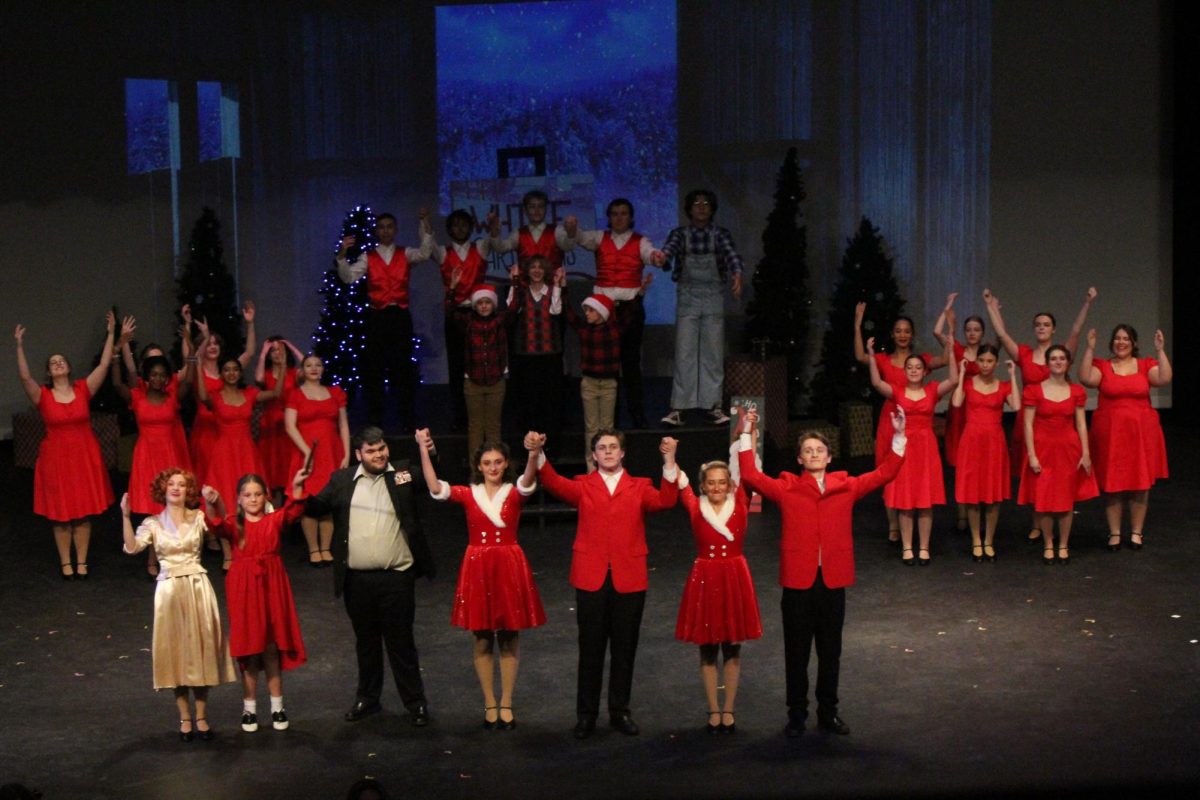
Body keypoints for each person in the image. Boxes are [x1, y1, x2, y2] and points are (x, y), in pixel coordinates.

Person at [737, 406, 906, 738]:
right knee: (796, 653)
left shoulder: (847, 486)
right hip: (798, 583)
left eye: (819, 450)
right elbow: (751, 476)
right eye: (807, 451)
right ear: (799, 459)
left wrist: (899, 434)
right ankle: (797, 714)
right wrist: (745, 432)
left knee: (831, 652)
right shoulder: (787, 488)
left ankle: (828, 712)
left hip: (832, 581)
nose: (814, 454)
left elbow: (886, 472)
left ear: (830, 457)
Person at [523, 428, 680, 739]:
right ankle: (586, 715)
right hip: (591, 576)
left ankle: (620, 712)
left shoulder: (639, 487)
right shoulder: (584, 486)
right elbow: (553, 482)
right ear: (593, 456)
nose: (608, 452)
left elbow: (666, 500)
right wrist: (537, 452)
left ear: (622, 453)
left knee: (625, 649)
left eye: (613, 447)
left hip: (629, 578)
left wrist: (669, 459)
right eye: (602, 448)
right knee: (590, 649)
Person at [305, 426, 437, 727]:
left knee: (401, 642)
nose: (378, 455)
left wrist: (428, 450)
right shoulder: (342, 480)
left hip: (396, 578)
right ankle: (368, 698)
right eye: (371, 451)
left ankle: (415, 702)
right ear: (358, 454)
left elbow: (433, 479)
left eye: (381, 449)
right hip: (357, 581)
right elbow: (316, 507)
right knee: (366, 643)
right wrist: (300, 488)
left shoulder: (402, 473)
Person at [417, 432, 545, 731]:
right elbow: (435, 487)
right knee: (482, 636)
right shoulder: (469, 493)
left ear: (506, 463)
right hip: (478, 565)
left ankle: (507, 702)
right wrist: (423, 449)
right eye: (487, 462)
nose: (493, 467)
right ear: (478, 465)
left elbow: (528, 477)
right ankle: (489, 701)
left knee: (510, 635)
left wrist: (534, 452)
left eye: (498, 462)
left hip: (508, 564)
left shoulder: (514, 491)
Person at [120, 469, 237, 741]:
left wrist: (215, 502)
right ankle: (185, 717)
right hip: (170, 590)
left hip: (197, 587)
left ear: (188, 490)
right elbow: (132, 547)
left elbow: (224, 525)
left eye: (181, 485)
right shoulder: (153, 523)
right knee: (176, 653)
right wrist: (125, 517)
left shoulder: (197, 517)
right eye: (170, 484)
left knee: (201, 648)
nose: (176, 488)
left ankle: (202, 716)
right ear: (163, 490)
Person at [14, 312, 125, 579]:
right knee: (61, 514)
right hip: (56, 459)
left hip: (83, 457)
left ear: (68, 367)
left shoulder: (82, 389)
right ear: (49, 371)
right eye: (53, 362)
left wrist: (110, 334)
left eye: (61, 361)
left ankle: (82, 562)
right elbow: (25, 378)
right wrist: (19, 346)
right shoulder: (43, 395)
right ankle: (66, 562)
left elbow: (103, 366)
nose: (58, 363)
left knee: (83, 512)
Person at [984, 287, 1096, 543]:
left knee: (1057, 474)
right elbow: (1002, 333)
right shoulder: (1024, 354)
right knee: (1036, 472)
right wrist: (990, 305)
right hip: (1031, 421)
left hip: (1058, 421)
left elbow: (1076, 331)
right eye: (1038, 324)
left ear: (1053, 329)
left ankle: (1052, 524)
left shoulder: (1061, 353)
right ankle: (1037, 522)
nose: (1042, 327)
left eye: (1046, 324)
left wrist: (1087, 303)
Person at [212, 469, 310, 733]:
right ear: (240, 499)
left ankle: (278, 707)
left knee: (271, 646)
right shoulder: (235, 523)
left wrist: (297, 484)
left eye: (257, 494)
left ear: (265, 496)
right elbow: (216, 525)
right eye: (247, 495)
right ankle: (249, 709)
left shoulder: (274, 519)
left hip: (272, 583)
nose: (253, 499)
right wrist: (213, 501)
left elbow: (294, 510)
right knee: (249, 648)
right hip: (243, 587)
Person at [673, 453, 761, 734]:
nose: (716, 488)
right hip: (705, 577)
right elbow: (679, 482)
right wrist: (671, 456)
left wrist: (747, 434)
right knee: (708, 648)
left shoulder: (741, 504)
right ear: (703, 486)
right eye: (711, 483)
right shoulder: (694, 506)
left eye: (722, 483)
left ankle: (729, 708)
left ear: (730, 485)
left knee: (732, 647)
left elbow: (749, 471)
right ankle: (713, 708)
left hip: (733, 577)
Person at [561, 199, 666, 428]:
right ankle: (612, 420)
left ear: (631, 217)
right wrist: (572, 229)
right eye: (615, 214)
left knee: (630, 363)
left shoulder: (641, 241)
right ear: (609, 217)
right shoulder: (600, 237)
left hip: (630, 307)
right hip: (605, 310)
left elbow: (651, 255)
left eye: (624, 213)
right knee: (608, 368)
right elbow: (580, 238)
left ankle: (637, 416)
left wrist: (657, 258)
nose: (619, 218)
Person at [854, 302, 945, 544]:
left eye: (907, 331)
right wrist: (857, 324)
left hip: (917, 420)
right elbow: (861, 356)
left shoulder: (920, 360)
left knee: (910, 471)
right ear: (893, 334)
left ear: (912, 334)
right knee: (889, 470)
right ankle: (894, 523)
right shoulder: (883, 359)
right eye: (898, 331)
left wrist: (946, 331)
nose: (903, 335)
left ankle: (908, 524)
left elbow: (947, 359)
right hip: (890, 420)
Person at [866, 325, 957, 566]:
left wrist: (951, 348)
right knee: (906, 500)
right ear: (905, 371)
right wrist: (872, 356)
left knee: (925, 500)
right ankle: (907, 547)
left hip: (925, 449)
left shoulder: (932, 390)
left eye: (918, 367)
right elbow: (876, 383)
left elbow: (955, 379)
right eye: (910, 368)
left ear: (925, 371)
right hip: (904, 447)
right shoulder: (897, 391)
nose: (914, 370)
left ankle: (924, 547)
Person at [193, 322, 281, 571]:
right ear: (221, 373)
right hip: (223, 453)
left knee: (252, 498)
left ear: (239, 373)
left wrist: (282, 365)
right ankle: (228, 553)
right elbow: (200, 395)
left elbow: (274, 394)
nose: (231, 373)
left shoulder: (250, 394)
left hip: (246, 451)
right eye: (227, 369)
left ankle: (254, 546)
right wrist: (198, 364)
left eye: (235, 369)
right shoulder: (216, 397)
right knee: (225, 499)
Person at [336, 211, 435, 432]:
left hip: (399, 316)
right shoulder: (368, 256)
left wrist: (424, 223)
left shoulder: (405, 253)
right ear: (376, 231)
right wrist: (342, 256)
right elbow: (348, 277)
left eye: (390, 226)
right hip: (377, 317)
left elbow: (425, 253)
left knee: (403, 369)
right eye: (381, 227)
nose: (386, 230)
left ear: (396, 229)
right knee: (375, 370)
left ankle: (407, 420)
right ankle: (376, 420)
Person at [1079, 325, 1172, 551]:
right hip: (1111, 433)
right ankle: (1115, 533)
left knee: (1140, 483)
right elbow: (1086, 378)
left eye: (1126, 338)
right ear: (1112, 342)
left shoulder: (1144, 365)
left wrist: (1160, 350)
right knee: (1114, 483)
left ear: (1134, 343)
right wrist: (1089, 349)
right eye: (1117, 338)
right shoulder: (1103, 365)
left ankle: (1136, 532)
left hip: (1141, 433)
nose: (1121, 342)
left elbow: (1164, 378)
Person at [659, 189, 745, 427]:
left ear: (712, 208)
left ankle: (712, 406)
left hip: (713, 296)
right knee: (684, 352)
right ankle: (679, 407)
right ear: (689, 208)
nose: (701, 207)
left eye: (706, 203)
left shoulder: (720, 234)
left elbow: (732, 257)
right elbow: (667, 253)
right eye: (696, 203)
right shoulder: (680, 234)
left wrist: (737, 273)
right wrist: (661, 258)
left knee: (713, 353)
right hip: (688, 295)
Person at [1017, 345, 1099, 564]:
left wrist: (1086, 452)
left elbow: (1081, 424)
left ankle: (1063, 544)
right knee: (1044, 499)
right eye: (1053, 358)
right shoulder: (1034, 390)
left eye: (1062, 358)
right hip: (1043, 449)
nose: (1058, 362)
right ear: (1047, 362)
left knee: (1065, 499)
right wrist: (1032, 455)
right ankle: (1048, 544)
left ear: (1068, 363)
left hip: (1068, 450)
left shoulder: (1076, 391)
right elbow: (1028, 424)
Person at [561, 278, 646, 468]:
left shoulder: (614, 330)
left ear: (601, 312)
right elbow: (569, 314)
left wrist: (639, 294)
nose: (587, 314)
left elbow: (629, 313)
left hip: (608, 384)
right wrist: (563, 288)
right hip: (589, 383)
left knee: (607, 429)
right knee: (591, 428)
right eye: (587, 311)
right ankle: (592, 469)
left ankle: (608, 467)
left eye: (591, 310)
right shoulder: (584, 329)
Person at [950, 346, 1020, 561]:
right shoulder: (969, 384)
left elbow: (1016, 405)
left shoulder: (1003, 385)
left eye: (990, 361)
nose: (985, 364)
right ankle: (975, 540)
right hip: (971, 443)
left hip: (994, 444)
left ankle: (988, 540)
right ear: (977, 362)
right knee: (972, 495)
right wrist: (961, 374)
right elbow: (956, 402)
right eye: (981, 360)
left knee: (992, 496)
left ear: (996, 363)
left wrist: (1013, 376)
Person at [284, 353, 350, 566]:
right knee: (309, 500)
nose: (314, 368)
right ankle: (314, 549)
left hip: (331, 451)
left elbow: (343, 425)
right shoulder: (295, 394)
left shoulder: (335, 392)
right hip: (307, 454)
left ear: (323, 369)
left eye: (318, 365)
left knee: (328, 500)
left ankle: (326, 548)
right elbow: (290, 426)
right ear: (302, 370)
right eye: (309, 365)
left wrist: (347, 453)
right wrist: (306, 453)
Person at [186, 302, 258, 490]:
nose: (212, 346)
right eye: (208, 344)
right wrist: (204, 336)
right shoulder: (196, 368)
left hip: (228, 431)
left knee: (232, 476)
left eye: (215, 343)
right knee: (210, 480)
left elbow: (249, 353)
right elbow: (190, 357)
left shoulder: (228, 369)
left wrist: (250, 323)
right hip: (206, 432)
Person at [933, 292, 986, 531]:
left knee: (979, 463)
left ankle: (980, 506)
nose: (972, 333)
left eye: (976, 329)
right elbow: (936, 332)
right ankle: (962, 512)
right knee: (960, 463)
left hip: (980, 410)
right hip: (959, 408)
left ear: (982, 333)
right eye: (969, 329)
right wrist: (948, 306)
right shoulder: (956, 348)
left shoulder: (986, 355)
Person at [435, 209, 491, 431]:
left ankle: (483, 414)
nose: (460, 228)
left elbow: (496, 240)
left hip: (479, 314)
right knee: (457, 367)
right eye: (455, 225)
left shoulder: (480, 248)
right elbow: (426, 248)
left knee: (480, 365)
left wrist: (494, 227)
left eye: (464, 224)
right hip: (455, 313)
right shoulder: (443, 252)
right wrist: (425, 227)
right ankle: (460, 417)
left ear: (471, 227)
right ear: (449, 229)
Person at [505, 256, 565, 449]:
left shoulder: (551, 291)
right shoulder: (521, 292)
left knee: (549, 403)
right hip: (526, 357)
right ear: (527, 271)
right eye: (533, 267)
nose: (537, 270)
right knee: (529, 402)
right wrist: (513, 283)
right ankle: (530, 446)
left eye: (540, 267)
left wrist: (557, 285)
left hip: (549, 356)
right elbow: (511, 309)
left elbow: (556, 310)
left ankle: (550, 445)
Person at [461, 285, 517, 458]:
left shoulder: (499, 321)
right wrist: (454, 289)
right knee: (476, 427)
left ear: (493, 305)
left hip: (496, 381)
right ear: (475, 306)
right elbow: (449, 312)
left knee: (493, 427)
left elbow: (514, 307)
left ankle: (496, 467)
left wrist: (514, 282)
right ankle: (476, 470)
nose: (484, 306)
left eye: (487, 302)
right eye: (480, 303)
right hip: (473, 382)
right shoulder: (469, 322)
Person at [255, 336, 305, 501]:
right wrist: (262, 353)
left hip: (289, 425)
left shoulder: (294, 373)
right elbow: (258, 379)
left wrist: (290, 344)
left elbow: (306, 364)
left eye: (280, 349)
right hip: (270, 425)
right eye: (274, 350)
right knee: (271, 469)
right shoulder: (267, 375)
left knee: (288, 468)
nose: (277, 353)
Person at [488, 189, 568, 272]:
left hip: (553, 283)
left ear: (546, 209)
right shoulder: (518, 233)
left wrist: (571, 233)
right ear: (525, 210)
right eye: (532, 207)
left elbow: (568, 245)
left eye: (540, 206)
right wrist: (494, 232)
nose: (537, 210)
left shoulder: (557, 231)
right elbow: (501, 248)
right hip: (526, 284)